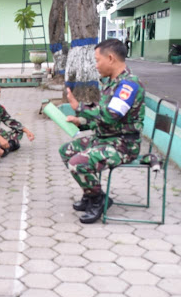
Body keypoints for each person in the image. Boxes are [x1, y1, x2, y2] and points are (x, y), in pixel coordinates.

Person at [60, 38, 145, 224]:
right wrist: (80, 122)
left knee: (77, 162)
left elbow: (110, 116)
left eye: (98, 60)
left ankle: (99, 200)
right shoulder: (112, 83)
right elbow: (101, 117)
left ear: (111, 58)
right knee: (66, 151)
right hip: (106, 138)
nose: (96, 65)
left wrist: (80, 108)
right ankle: (90, 193)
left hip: (123, 144)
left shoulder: (128, 85)